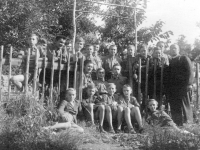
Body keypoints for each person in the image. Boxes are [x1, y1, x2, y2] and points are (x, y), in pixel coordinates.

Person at [167, 44, 193, 126]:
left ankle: (188, 122)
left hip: (183, 86)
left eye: (175, 48)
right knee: (175, 105)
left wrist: (189, 84)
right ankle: (177, 123)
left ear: (178, 50)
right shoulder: (170, 61)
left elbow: (190, 71)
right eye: (171, 48)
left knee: (185, 104)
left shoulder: (183, 58)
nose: (173, 50)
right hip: (173, 87)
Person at [132, 44, 151, 110]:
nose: (143, 52)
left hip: (148, 80)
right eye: (142, 51)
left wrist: (142, 67)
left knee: (146, 95)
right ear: (139, 52)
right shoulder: (137, 58)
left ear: (147, 51)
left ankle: (146, 109)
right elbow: (134, 69)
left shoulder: (150, 58)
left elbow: (151, 68)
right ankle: (139, 109)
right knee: (138, 95)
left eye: (144, 51)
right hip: (139, 80)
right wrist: (134, 73)